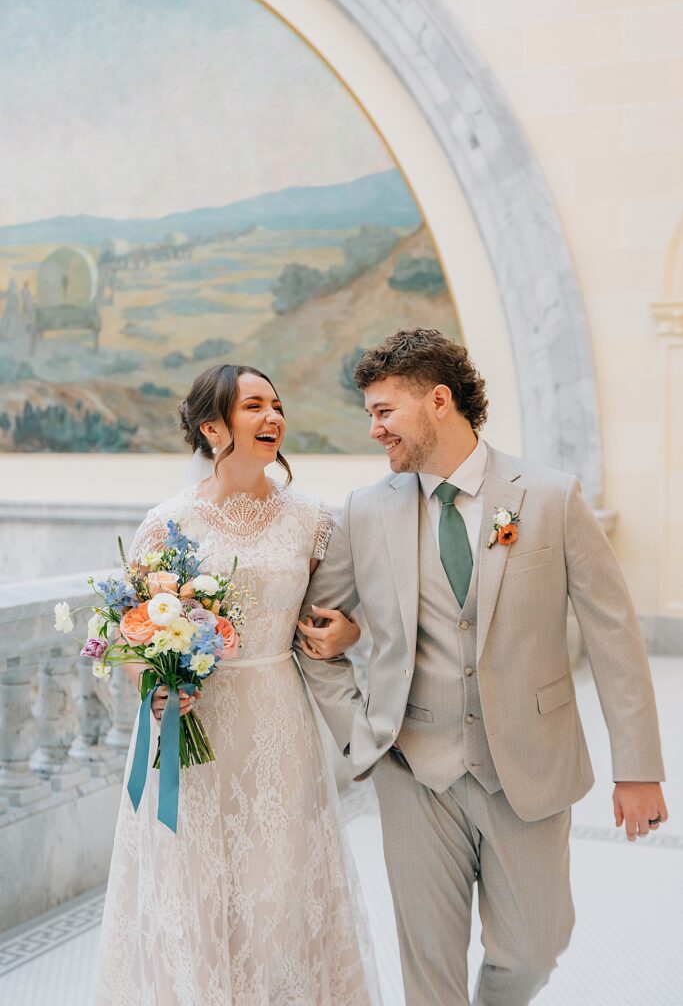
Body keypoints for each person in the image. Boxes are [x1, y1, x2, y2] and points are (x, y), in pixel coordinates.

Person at [295, 328, 667, 1006]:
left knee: (534, 947)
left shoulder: (550, 497)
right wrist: (357, 730)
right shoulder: (364, 511)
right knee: (428, 968)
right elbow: (311, 629)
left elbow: (613, 635)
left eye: (384, 411)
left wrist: (637, 768)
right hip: (412, 769)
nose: (374, 429)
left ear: (438, 401)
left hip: (528, 765)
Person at [95, 364, 380, 1006]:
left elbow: (343, 611)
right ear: (212, 427)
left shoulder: (313, 521)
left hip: (277, 721)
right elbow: (128, 632)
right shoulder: (167, 522)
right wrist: (155, 683)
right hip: (193, 724)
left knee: (277, 885)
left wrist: (351, 632)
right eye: (254, 406)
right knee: (195, 885)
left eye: (276, 405)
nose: (273, 416)